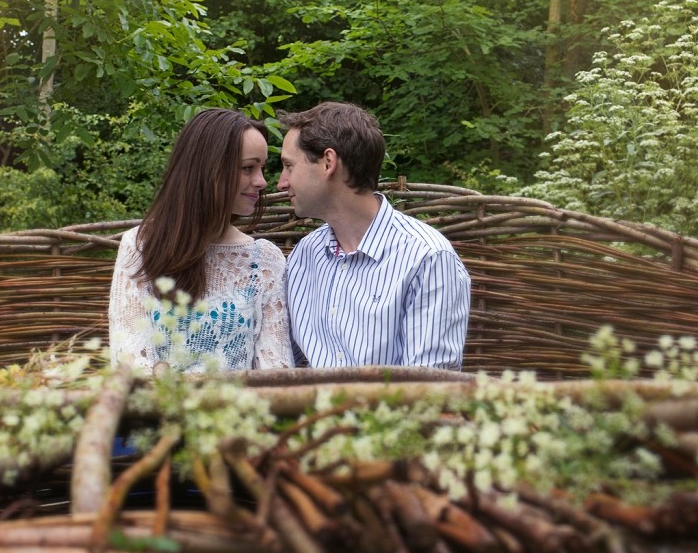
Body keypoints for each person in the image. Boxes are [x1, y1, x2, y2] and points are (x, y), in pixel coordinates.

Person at [277, 102, 471, 369]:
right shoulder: (304, 256)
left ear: (328, 163)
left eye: (288, 166)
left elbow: (430, 391)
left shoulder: (428, 258)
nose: (281, 182)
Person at [109, 109, 294, 373]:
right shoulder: (140, 246)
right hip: (158, 410)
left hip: (244, 411)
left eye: (261, 168)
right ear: (208, 170)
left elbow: (276, 370)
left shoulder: (264, 259)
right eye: (247, 168)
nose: (262, 181)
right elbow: (131, 363)